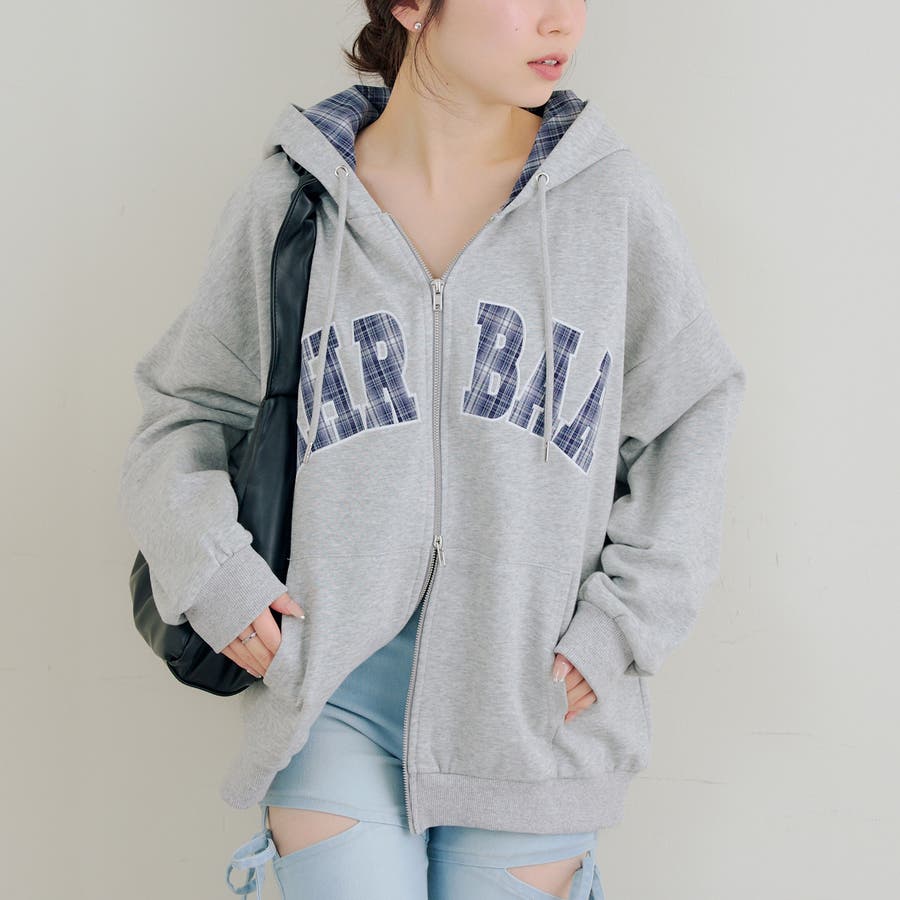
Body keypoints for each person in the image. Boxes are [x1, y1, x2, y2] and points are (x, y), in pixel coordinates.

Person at [118, 1, 747, 897]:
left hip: (532, 706)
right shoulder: (299, 198)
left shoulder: (608, 200)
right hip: (330, 689)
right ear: (413, 5)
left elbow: (691, 415)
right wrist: (218, 575)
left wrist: (621, 626)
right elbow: (185, 409)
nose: (563, 21)